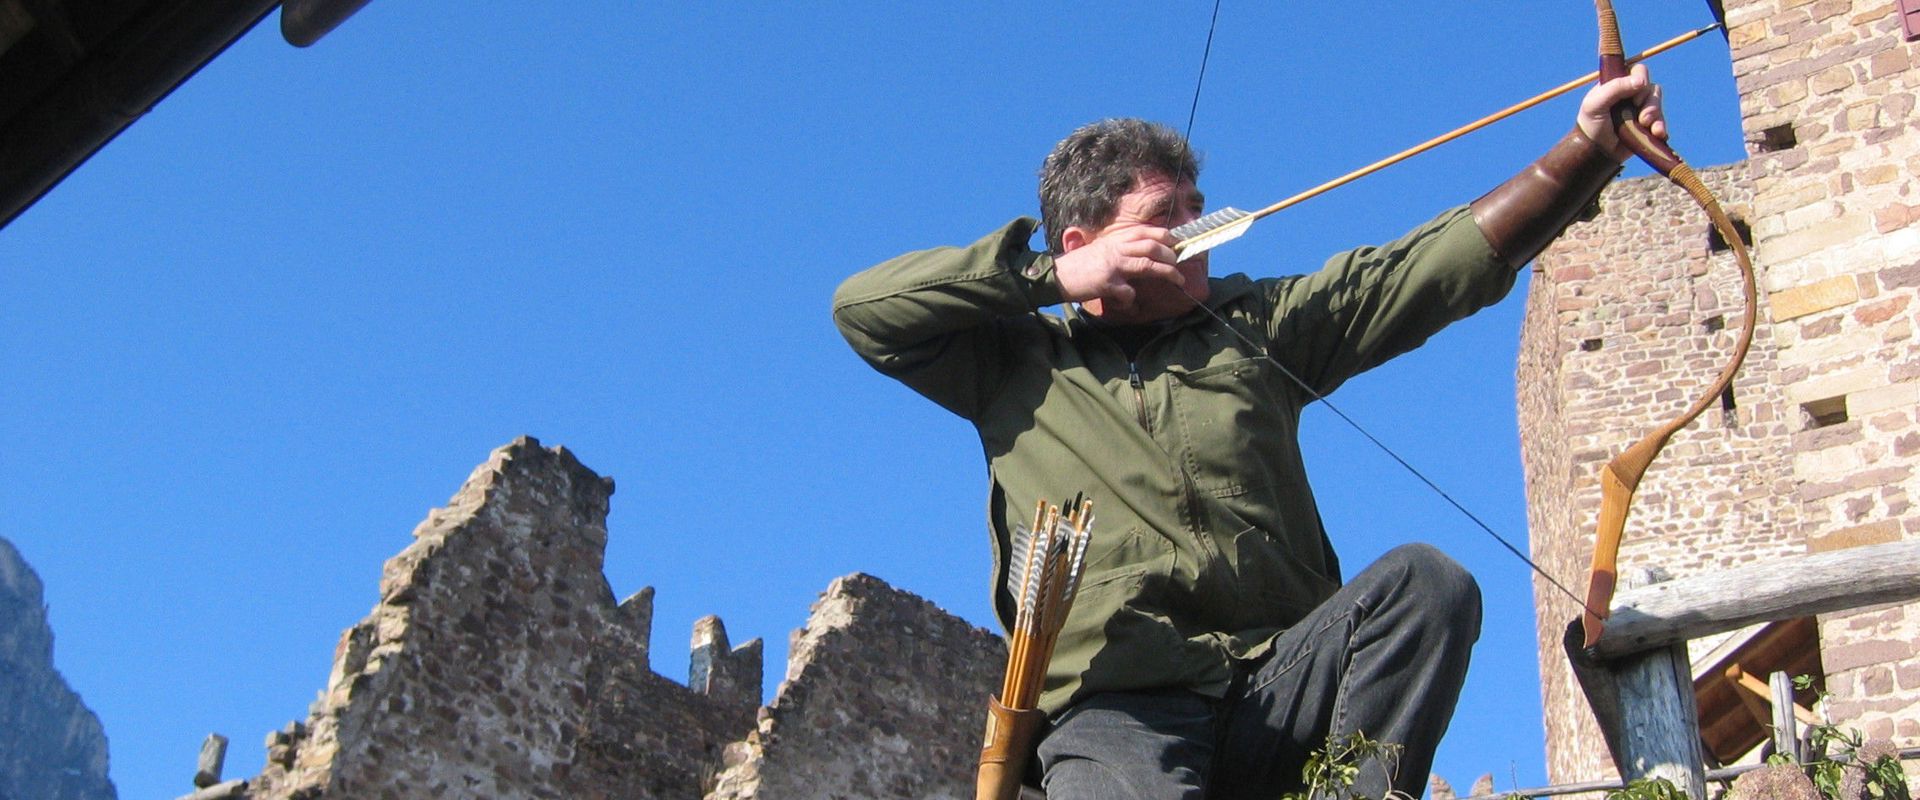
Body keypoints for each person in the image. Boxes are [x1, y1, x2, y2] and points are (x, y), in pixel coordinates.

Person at [833, 67, 1666, 799]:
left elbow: (1430, 270)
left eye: (1198, 207)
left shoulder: (1257, 326)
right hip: (1117, 707)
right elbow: (863, 312)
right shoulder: (1012, 361)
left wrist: (1586, 154)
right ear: (1087, 243)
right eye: (1168, 213)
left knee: (1428, 586)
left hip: (1279, 681)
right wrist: (1047, 277)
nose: (1200, 227)